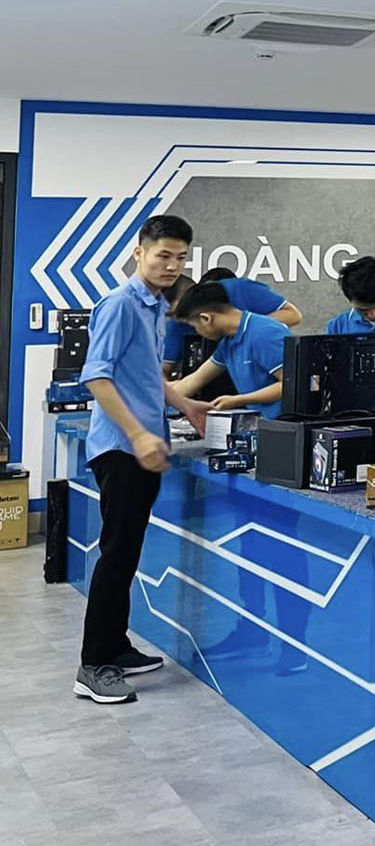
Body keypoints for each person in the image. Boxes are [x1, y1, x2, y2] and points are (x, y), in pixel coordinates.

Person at [75, 215, 211, 706]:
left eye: (180, 258)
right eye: (163, 255)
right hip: (122, 448)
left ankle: (116, 646)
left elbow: (147, 373)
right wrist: (137, 433)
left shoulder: (154, 306)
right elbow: (97, 377)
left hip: (143, 446)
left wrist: (185, 404)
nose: (172, 265)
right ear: (139, 253)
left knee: (127, 554)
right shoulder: (120, 304)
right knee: (116, 555)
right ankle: (93, 665)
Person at [170, 279, 293, 419]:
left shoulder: (265, 333)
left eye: (194, 326)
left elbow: (290, 385)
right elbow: (194, 380)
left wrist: (238, 400)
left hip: (284, 423)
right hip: (262, 423)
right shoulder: (227, 342)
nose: (197, 332)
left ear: (206, 319)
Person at [161, 265, 300, 377]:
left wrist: (247, 330)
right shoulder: (179, 322)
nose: (179, 317)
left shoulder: (242, 290)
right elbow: (168, 372)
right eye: (170, 315)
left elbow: (293, 315)